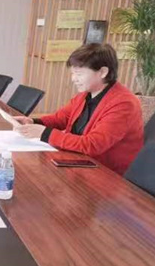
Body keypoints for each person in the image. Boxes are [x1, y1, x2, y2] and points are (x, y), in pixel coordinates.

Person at [14, 43, 144, 175]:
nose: (73, 79)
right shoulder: (86, 94)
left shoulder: (124, 103)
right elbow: (61, 118)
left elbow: (92, 145)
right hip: (78, 161)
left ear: (103, 72)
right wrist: (33, 122)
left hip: (106, 173)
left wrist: (45, 134)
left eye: (79, 74)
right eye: (72, 73)